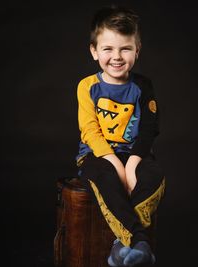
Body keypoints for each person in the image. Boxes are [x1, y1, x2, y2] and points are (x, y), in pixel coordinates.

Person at [76, 5, 165, 267]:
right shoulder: (88, 86)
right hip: (98, 155)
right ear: (94, 51)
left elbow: (150, 128)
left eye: (125, 48)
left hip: (134, 154)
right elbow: (90, 130)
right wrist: (116, 164)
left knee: (153, 176)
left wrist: (134, 162)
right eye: (108, 49)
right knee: (107, 178)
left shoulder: (142, 86)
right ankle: (139, 243)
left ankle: (121, 246)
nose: (117, 56)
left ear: (137, 51)